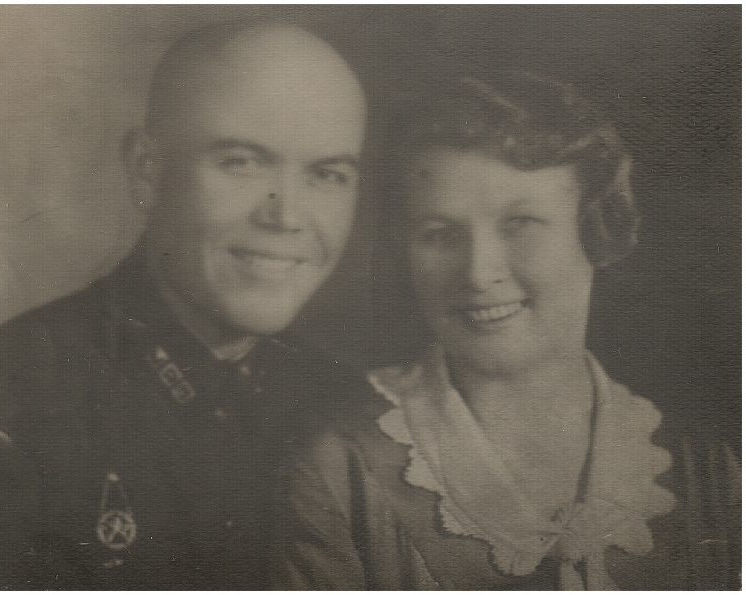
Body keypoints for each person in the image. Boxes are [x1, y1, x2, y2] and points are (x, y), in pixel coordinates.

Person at [273, 72, 740, 590]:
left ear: (595, 230)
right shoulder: (338, 467)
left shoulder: (713, 471)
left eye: (520, 224)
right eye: (439, 234)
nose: (478, 273)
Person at [0, 21, 366, 590]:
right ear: (148, 171)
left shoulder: (352, 407)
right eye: (242, 162)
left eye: (327, 174)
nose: (286, 216)